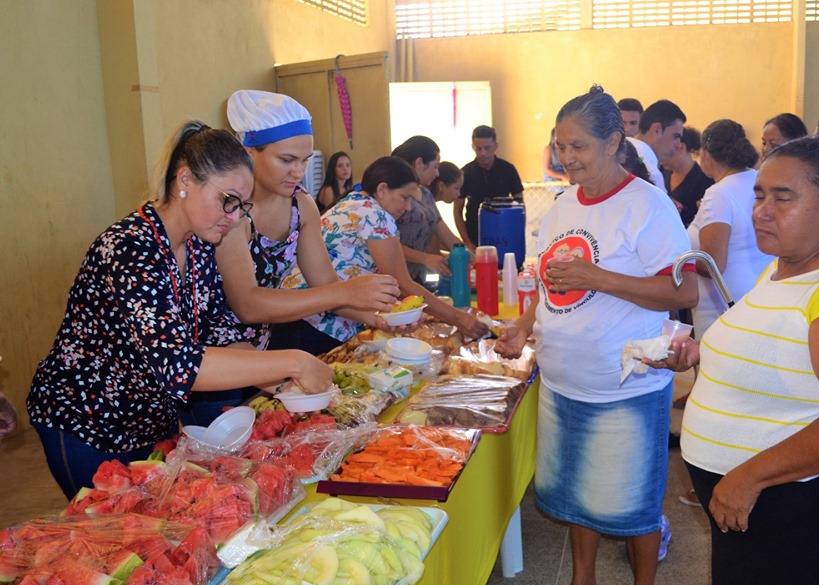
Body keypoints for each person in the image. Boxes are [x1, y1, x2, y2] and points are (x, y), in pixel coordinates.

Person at [647, 136, 819, 585]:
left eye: (783, 198)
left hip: (793, 498)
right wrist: (705, 358)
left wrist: (748, 477)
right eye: (759, 195)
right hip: (759, 501)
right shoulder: (782, 269)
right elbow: (782, 357)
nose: (761, 210)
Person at [26, 122, 333, 499]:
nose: (235, 217)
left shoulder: (201, 246)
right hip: (87, 421)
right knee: (116, 538)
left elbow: (219, 336)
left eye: (242, 206)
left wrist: (281, 384)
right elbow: (179, 363)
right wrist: (293, 362)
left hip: (150, 419)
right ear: (184, 179)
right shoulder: (129, 247)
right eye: (228, 200)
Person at [496, 85, 697, 585]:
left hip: (624, 386)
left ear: (615, 141)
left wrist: (598, 278)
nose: (567, 157)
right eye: (560, 146)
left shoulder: (645, 205)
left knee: (633, 503)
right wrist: (524, 321)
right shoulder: (561, 205)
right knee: (576, 495)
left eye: (579, 145)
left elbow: (686, 290)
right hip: (563, 381)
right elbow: (547, 278)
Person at [219, 90, 399, 360]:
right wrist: (346, 291)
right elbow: (248, 304)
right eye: (287, 160)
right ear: (249, 152)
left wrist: (379, 319)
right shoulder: (231, 211)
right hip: (216, 355)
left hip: (261, 348)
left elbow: (324, 282)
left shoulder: (300, 206)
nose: (298, 172)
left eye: (305, 161)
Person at [674, 120, 769, 482]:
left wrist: (674, 261)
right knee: (745, 389)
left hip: (722, 301)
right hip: (754, 291)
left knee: (722, 392)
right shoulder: (755, 180)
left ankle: (718, 475)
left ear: (709, 155)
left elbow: (714, 261)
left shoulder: (720, 193)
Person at [319, 156, 488, 343]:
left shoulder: (354, 202)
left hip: (312, 312)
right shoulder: (377, 216)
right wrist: (459, 318)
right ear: (382, 189)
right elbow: (403, 285)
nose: (408, 207)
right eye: (405, 198)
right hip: (321, 323)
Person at [392, 135, 469, 287]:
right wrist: (425, 258)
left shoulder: (426, 194)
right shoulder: (393, 195)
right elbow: (387, 244)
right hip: (398, 279)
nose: (437, 173)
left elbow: (449, 239)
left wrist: (481, 259)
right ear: (419, 163)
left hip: (420, 278)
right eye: (435, 166)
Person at [453, 125, 524, 250]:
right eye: (478, 149)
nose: (482, 153)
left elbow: (520, 206)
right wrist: (467, 242)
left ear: (496, 146)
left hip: (504, 233)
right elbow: (457, 210)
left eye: (487, 148)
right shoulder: (465, 173)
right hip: (474, 236)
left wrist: (517, 234)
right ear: (472, 147)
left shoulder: (508, 169)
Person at [660, 126, 714, 228]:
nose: (660, 158)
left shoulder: (704, 180)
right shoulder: (662, 172)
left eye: (665, 153)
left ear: (681, 148)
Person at [633, 99, 687, 193]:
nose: (678, 145)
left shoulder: (614, 154)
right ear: (657, 129)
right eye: (675, 136)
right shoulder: (650, 173)